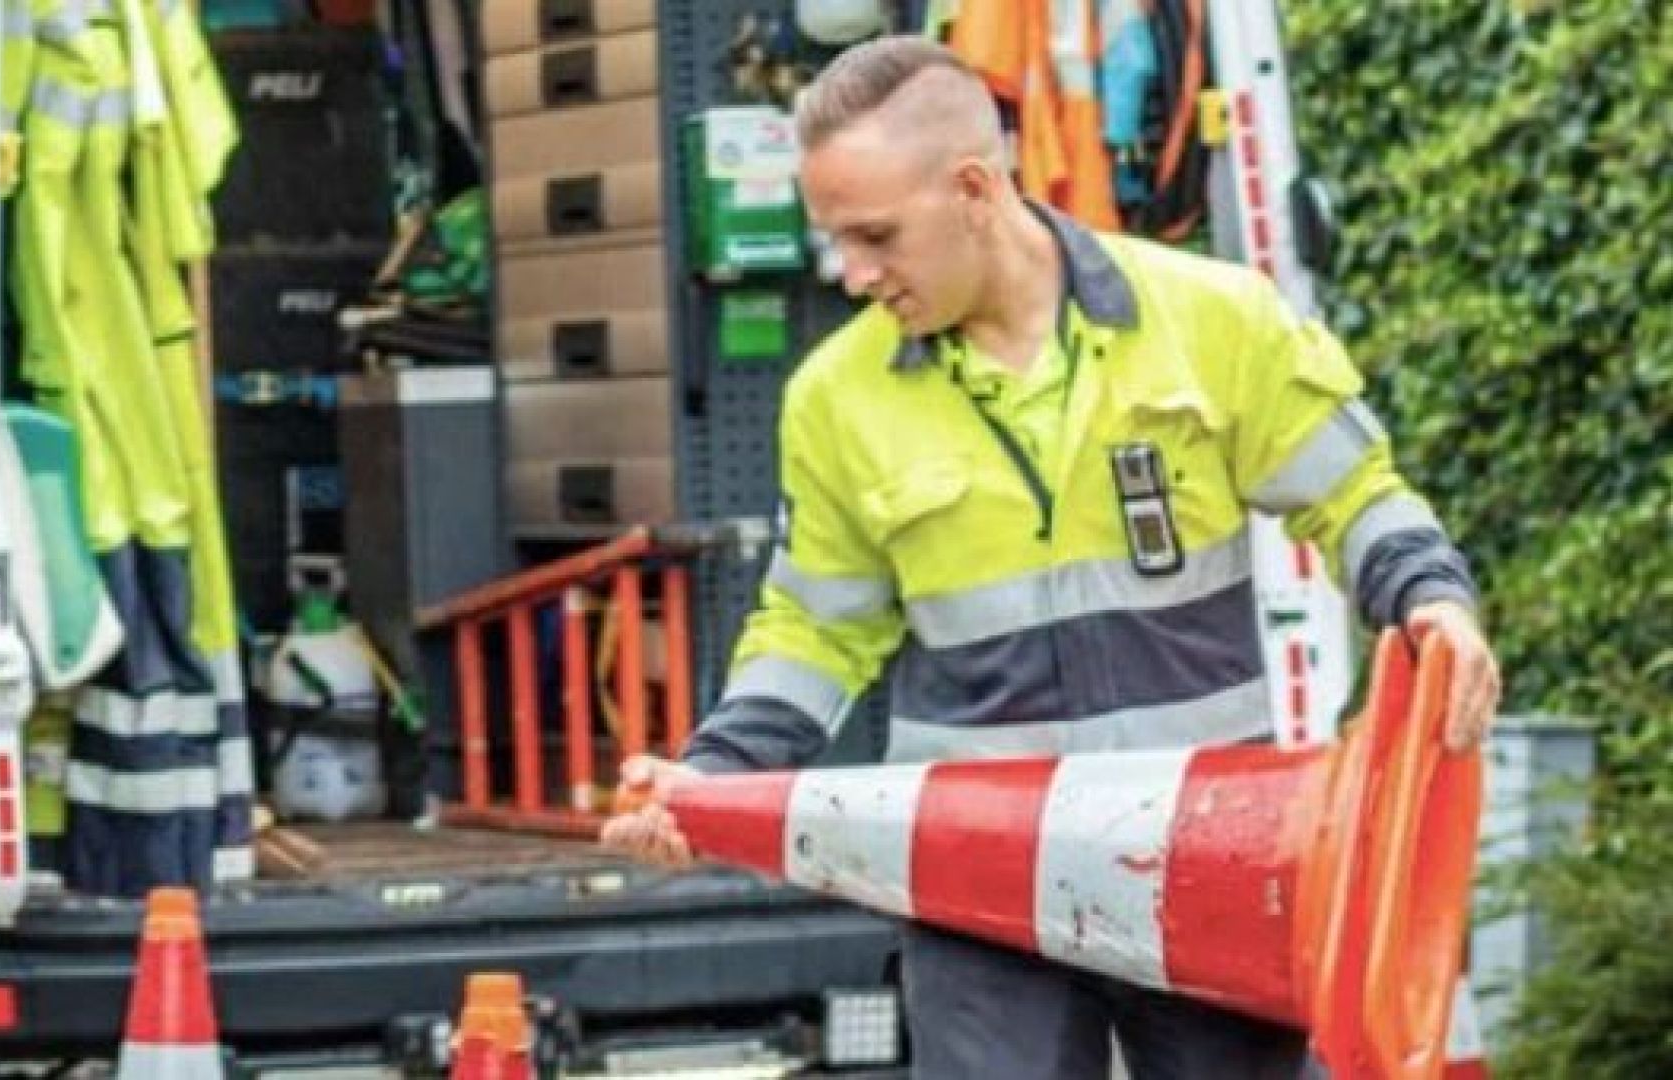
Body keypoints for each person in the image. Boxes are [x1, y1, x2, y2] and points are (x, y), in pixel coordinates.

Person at [602, 35, 1501, 1080]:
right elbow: (812, 630)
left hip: (1209, 852)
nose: (851, 275)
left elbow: (1357, 498)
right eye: (836, 241)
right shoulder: (833, 401)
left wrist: (1435, 602)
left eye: (875, 236)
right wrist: (709, 781)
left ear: (975, 188)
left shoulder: (1214, 321)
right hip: (971, 881)